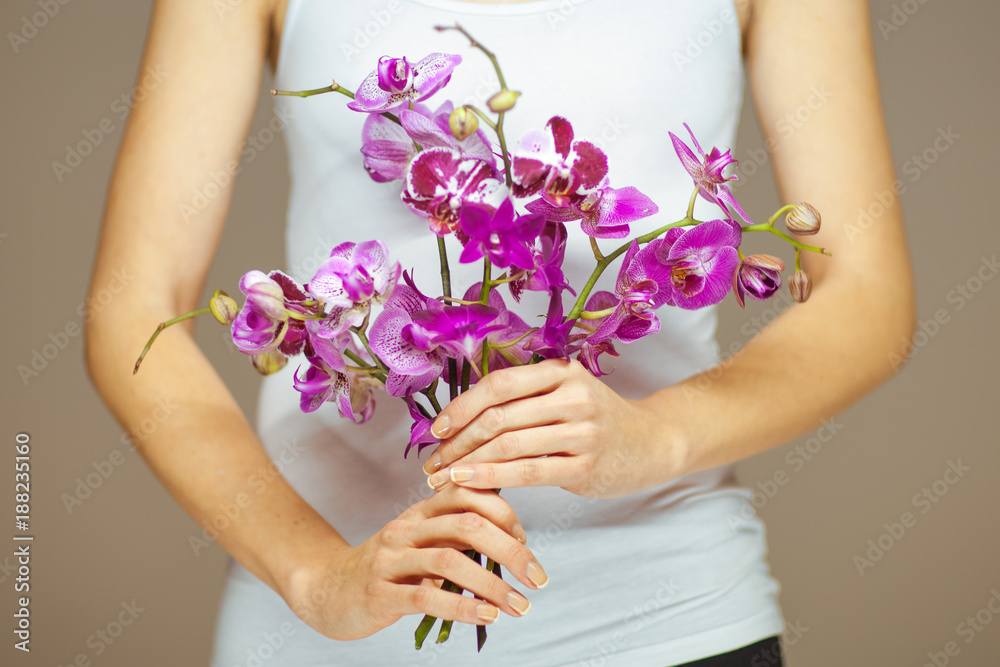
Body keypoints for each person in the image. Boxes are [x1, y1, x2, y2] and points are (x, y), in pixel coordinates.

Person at [85, 0, 915, 665]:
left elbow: (866, 294)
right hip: (320, 633)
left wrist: (657, 434)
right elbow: (133, 304)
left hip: (667, 622)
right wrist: (317, 574)